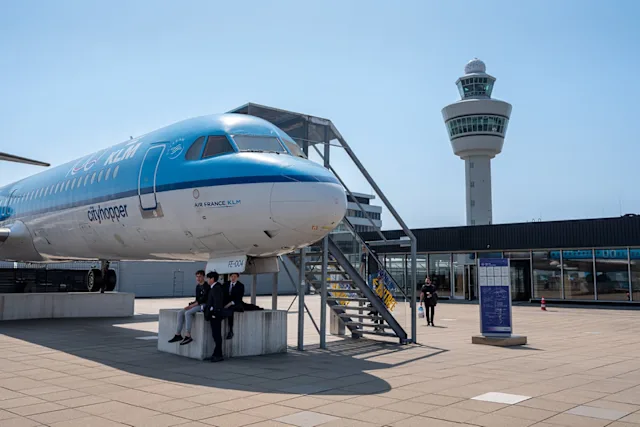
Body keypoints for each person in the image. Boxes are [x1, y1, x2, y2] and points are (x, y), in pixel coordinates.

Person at [168, 270, 209, 345]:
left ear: (203, 277)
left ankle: (188, 334)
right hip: (197, 303)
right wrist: (191, 304)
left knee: (188, 313)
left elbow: (204, 299)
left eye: (200, 276)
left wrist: (192, 306)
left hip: (204, 305)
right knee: (180, 312)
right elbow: (197, 299)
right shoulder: (198, 286)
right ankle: (178, 334)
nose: (198, 278)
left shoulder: (207, 286)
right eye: (197, 276)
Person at [203, 271, 230, 362]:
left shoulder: (216, 288)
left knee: (217, 335)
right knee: (215, 335)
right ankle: (216, 354)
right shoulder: (214, 288)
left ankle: (218, 355)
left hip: (216, 316)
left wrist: (214, 313)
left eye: (208, 278)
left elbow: (217, 303)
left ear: (212, 279)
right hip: (214, 315)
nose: (207, 280)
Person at [223, 272, 245, 339]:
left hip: (236, 303)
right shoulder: (226, 284)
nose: (233, 278)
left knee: (230, 310)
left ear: (238, 277)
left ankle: (231, 330)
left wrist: (229, 304)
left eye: (235, 276)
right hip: (226, 302)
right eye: (232, 276)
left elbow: (238, 298)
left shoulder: (240, 286)